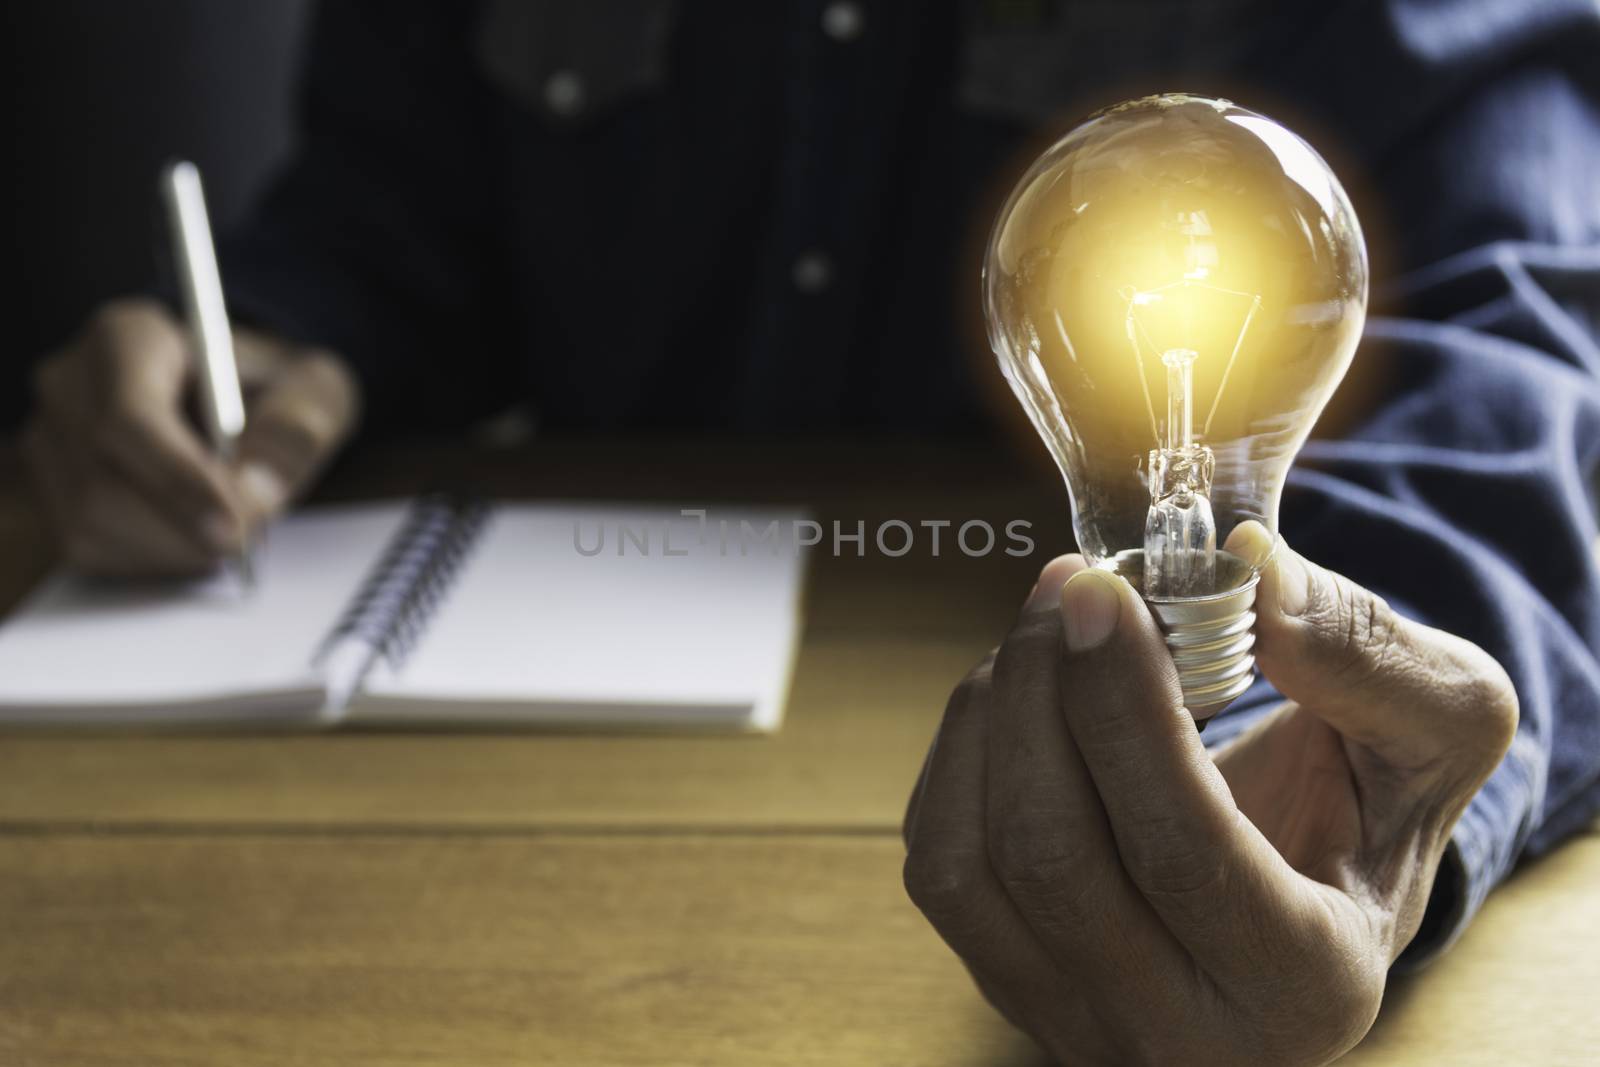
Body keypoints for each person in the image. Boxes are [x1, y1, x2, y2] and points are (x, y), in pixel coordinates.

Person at [18, 1, 1600, 1061]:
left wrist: (1338, 769)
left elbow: (1521, 337)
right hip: (575, 757)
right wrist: (273, 343)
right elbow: (393, 206)